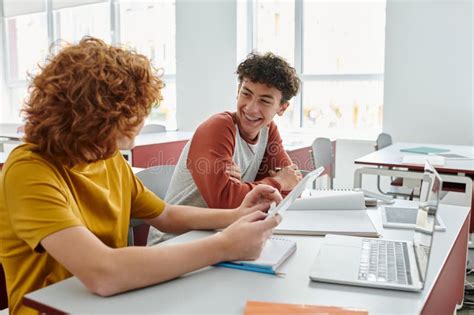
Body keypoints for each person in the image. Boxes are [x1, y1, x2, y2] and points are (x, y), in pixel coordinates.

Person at [0, 37, 282, 315]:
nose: (137, 130)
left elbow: (165, 215)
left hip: (113, 305)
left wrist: (239, 215)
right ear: (92, 116)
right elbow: (103, 272)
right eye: (131, 116)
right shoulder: (29, 169)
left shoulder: (107, 157)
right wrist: (224, 246)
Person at [148, 52, 301, 245]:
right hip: (176, 242)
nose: (251, 108)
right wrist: (277, 183)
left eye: (265, 100)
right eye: (246, 93)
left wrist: (244, 188)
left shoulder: (267, 131)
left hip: (219, 237)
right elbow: (224, 202)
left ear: (282, 108)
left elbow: (292, 189)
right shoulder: (218, 128)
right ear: (238, 90)